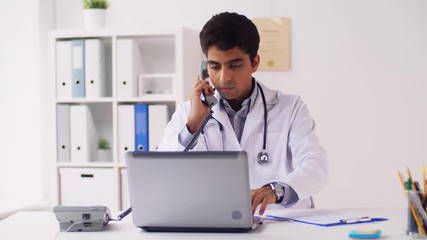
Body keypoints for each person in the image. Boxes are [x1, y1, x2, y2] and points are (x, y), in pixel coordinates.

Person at [157, 12, 328, 215]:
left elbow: (316, 166)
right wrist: (194, 123)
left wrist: (276, 190)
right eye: (214, 66)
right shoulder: (189, 113)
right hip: (217, 221)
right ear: (205, 67)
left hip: (282, 222)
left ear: (254, 63)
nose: (224, 77)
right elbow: (163, 174)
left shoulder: (290, 108)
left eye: (235, 65)